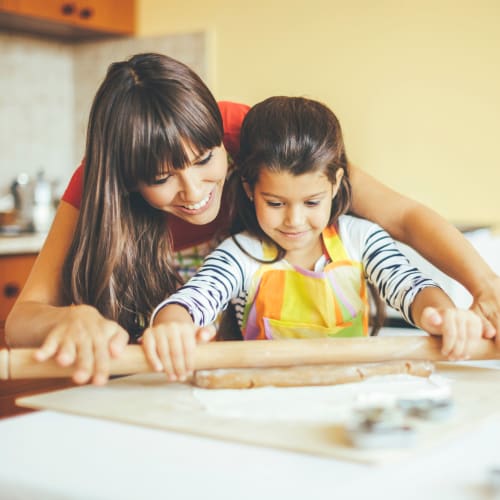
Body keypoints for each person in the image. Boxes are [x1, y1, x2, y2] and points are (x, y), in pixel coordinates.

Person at [5, 53, 499, 386]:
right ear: (127, 180)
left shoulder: (252, 135)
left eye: (205, 162)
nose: (195, 194)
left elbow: (403, 218)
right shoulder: (97, 183)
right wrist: (75, 319)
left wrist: (485, 287)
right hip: (175, 370)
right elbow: (22, 320)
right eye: (161, 178)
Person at [143, 96, 484, 381]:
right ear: (249, 190)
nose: (294, 220)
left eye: (312, 202)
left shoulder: (361, 240)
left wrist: (443, 315)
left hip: (352, 396)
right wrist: (172, 327)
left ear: (335, 184)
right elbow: (193, 300)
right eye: (275, 203)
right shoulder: (239, 254)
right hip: (262, 400)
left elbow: (410, 287)